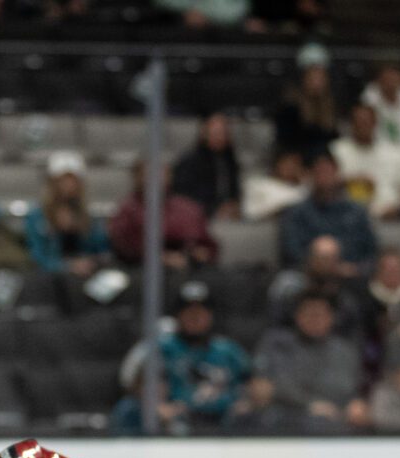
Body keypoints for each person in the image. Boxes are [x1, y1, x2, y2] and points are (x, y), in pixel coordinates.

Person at [119, 278, 248, 433]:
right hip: (177, 422)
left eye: (201, 312)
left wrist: (248, 402)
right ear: (177, 316)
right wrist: (157, 405)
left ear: (211, 316)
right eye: (189, 312)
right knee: (129, 409)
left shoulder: (227, 349)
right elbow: (134, 382)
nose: (195, 317)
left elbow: (254, 383)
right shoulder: (162, 346)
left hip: (223, 422)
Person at [240, 290, 368, 433]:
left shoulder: (345, 351)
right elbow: (263, 387)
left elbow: (354, 391)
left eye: (320, 315)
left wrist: (356, 403)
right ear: (297, 316)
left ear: (331, 318)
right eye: (309, 314)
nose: (314, 320)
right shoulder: (276, 344)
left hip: (335, 420)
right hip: (284, 418)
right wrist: (310, 405)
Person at [278, 152, 377, 272]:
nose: (324, 177)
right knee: (288, 283)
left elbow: (372, 252)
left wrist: (355, 268)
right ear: (310, 175)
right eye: (319, 172)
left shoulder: (356, 212)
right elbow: (291, 253)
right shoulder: (296, 213)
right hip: (307, 275)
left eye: (328, 172)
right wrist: (319, 267)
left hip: (351, 273)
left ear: (337, 174)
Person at [330, 99, 400, 220]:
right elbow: (319, 187)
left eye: (366, 122)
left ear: (375, 123)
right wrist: (347, 181)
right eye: (358, 122)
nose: (362, 126)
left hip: (392, 219)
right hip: (344, 219)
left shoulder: (397, 153)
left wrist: (399, 208)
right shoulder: (336, 151)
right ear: (351, 124)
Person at [23, 152, 108, 277]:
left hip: (85, 279)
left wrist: (80, 229)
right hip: (50, 282)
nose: (68, 185)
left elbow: (102, 251)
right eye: (62, 180)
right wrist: (66, 266)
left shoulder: (89, 216)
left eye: (72, 180)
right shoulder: (36, 216)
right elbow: (36, 257)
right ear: (52, 183)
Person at [169, 112, 242, 223]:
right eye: (216, 133)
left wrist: (233, 205)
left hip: (226, 217)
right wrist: (213, 209)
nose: (219, 137)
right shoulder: (189, 162)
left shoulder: (230, 161)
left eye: (223, 133)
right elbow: (182, 198)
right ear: (204, 133)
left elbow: (234, 191)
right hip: (197, 218)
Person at [275, 43, 339, 159]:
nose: (317, 82)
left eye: (320, 77)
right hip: (298, 162)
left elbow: (334, 143)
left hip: (324, 165)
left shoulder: (332, 107)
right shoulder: (290, 107)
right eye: (312, 77)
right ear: (304, 78)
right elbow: (286, 144)